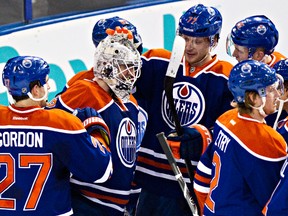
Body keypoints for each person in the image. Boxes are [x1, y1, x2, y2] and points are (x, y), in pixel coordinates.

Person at [132, 4, 234, 216]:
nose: (189, 47)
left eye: (198, 41)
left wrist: (203, 135)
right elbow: (121, 82)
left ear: (213, 41)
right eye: (186, 39)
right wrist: (127, 51)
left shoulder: (226, 78)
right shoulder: (157, 62)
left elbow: (230, 129)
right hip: (149, 179)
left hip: (190, 182)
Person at [0, 55, 112, 215]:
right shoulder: (62, 123)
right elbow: (102, 172)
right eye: (45, 82)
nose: (49, 88)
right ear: (35, 89)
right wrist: (97, 131)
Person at [47, 32, 144, 215]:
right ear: (107, 67)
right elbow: (47, 122)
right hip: (84, 198)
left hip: (116, 204)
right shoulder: (85, 91)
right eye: (125, 67)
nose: (130, 74)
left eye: (132, 68)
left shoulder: (131, 103)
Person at [193, 59, 287, 215]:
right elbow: (274, 203)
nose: (277, 94)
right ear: (252, 98)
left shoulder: (225, 119)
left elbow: (204, 168)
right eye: (270, 90)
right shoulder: (268, 140)